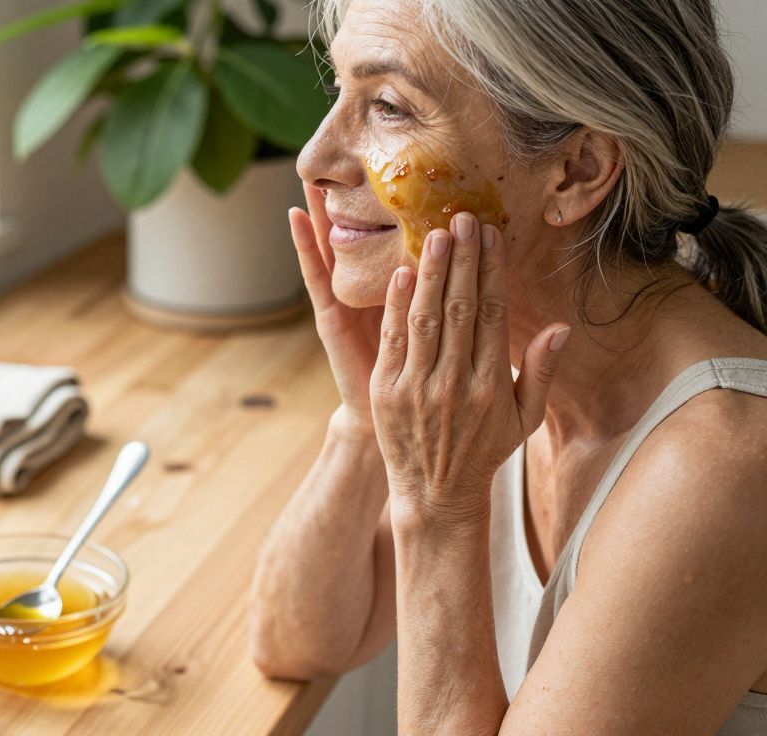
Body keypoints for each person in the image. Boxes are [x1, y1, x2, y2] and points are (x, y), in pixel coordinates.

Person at [250, 0, 767, 732]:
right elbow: (297, 641)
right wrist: (364, 421)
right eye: (340, 93)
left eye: (389, 107)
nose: (314, 159)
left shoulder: (722, 464)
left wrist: (437, 506)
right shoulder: (494, 371)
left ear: (576, 171)